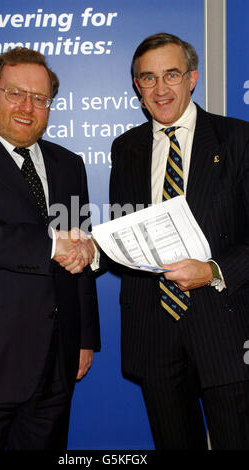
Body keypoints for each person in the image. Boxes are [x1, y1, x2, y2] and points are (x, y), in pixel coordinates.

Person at [109, 32, 249, 450]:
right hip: (153, 333)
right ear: (137, 86)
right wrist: (95, 250)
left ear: (193, 78)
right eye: (148, 78)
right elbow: (126, 230)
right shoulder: (126, 147)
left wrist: (214, 270)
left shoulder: (239, 140)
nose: (160, 88)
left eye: (171, 74)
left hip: (224, 328)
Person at [0, 47, 100, 450]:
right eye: (15, 93)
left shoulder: (69, 164)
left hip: (55, 365)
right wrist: (51, 243)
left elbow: (81, 252)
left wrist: (84, 336)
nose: (27, 106)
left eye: (40, 98)